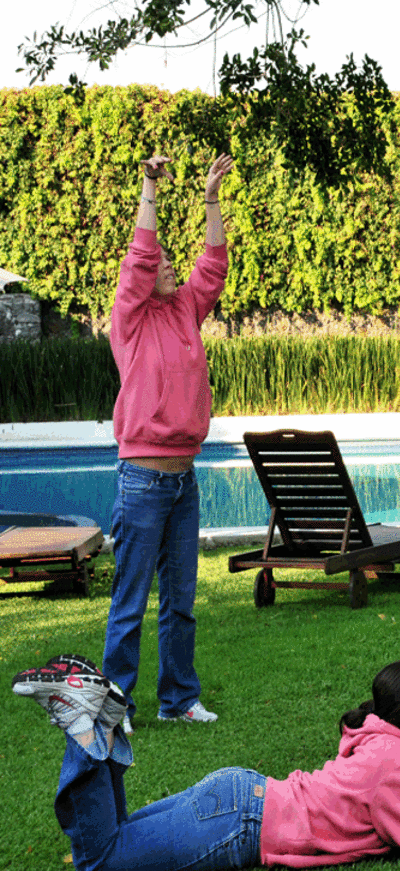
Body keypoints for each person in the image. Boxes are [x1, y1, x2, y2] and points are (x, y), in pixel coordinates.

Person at [11, 653, 400, 871]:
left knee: (120, 836)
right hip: (240, 824)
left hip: (239, 796)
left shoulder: (378, 739)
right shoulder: (394, 763)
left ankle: (105, 719)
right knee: (101, 862)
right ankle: (82, 726)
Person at [102, 152, 233, 729]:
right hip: (143, 478)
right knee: (130, 601)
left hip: (183, 479)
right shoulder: (129, 318)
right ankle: (115, 706)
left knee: (181, 602)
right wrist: (149, 185)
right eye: (161, 263)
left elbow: (214, 264)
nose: (169, 265)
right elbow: (141, 253)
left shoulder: (183, 312)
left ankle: (179, 699)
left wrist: (210, 197)